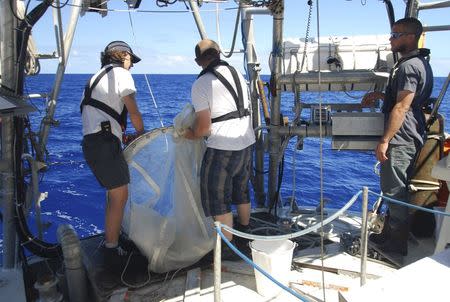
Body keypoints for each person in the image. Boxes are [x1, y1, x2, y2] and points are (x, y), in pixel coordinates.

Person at [363, 18, 433, 256]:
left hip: (401, 138)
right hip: (408, 134)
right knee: (394, 188)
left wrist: (385, 141)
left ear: (410, 37)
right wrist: (382, 98)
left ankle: (396, 245)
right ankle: (388, 235)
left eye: (395, 35)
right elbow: (408, 102)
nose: (390, 39)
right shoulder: (416, 63)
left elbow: (402, 107)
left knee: (394, 191)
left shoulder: (408, 67)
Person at [184, 39, 255, 257]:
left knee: (217, 197)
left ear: (198, 61)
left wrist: (189, 134)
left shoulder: (201, 83)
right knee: (241, 190)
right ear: (218, 54)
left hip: (222, 148)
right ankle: (245, 233)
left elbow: (204, 128)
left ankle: (229, 248)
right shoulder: (238, 76)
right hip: (246, 143)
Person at [80, 41, 144, 269]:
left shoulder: (94, 77)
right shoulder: (121, 74)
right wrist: (141, 132)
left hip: (95, 143)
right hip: (105, 144)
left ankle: (112, 240)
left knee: (115, 195)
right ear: (123, 56)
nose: (131, 66)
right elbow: (132, 108)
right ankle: (111, 250)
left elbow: (98, 115)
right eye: (131, 60)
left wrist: (118, 135)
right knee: (119, 196)